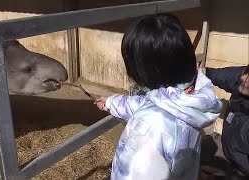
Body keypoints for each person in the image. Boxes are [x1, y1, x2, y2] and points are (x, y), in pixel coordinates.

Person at [95, 13, 223, 180]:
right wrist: (112, 102)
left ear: (145, 69)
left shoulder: (147, 130)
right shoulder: (192, 97)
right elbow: (149, 103)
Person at [200, 65, 249, 177]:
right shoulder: (243, 78)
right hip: (225, 145)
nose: (243, 77)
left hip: (241, 170)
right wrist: (202, 72)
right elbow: (226, 76)